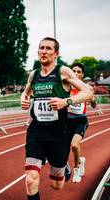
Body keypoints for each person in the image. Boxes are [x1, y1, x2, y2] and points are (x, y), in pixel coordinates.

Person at [21, 37, 93, 200]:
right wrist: (23, 99)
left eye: (48, 48)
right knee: (31, 177)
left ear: (56, 54)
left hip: (58, 133)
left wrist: (65, 101)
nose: (44, 51)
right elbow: (26, 92)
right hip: (36, 132)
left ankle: (63, 169)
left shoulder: (63, 72)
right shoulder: (34, 74)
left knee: (57, 184)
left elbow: (88, 92)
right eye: (41, 48)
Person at [68, 62, 96, 183]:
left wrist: (93, 100)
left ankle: (76, 169)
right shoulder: (66, 86)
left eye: (78, 72)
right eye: (73, 71)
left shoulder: (86, 87)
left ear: (82, 74)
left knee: (74, 145)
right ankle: (80, 160)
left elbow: (94, 106)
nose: (75, 73)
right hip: (66, 121)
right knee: (63, 149)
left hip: (80, 120)